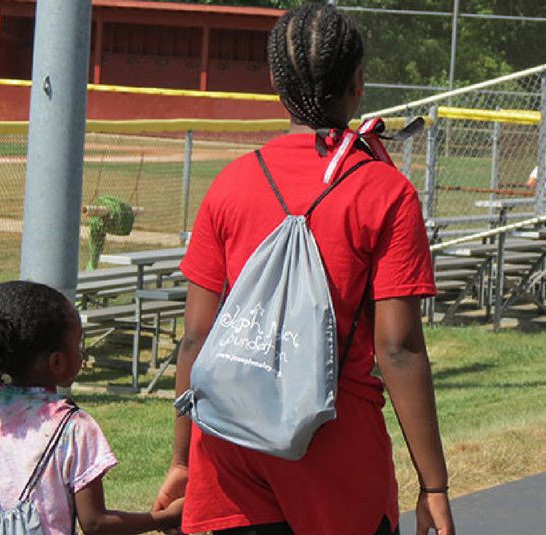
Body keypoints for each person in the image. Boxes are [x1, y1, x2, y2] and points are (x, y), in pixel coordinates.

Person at [153, 4, 454, 535]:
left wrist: (183, 461)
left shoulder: (230, 184)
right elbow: (398, 349)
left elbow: (196, 339)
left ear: (274, 81)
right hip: (338, 449)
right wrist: (433, 485)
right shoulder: (385, 191)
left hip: (230, 443)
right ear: (358, 83)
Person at [0, 280, 182, 535]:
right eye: (78, 344)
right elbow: (96, 523)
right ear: (57, 362)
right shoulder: (74, 427)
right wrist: (165, 518)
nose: (81, 353)